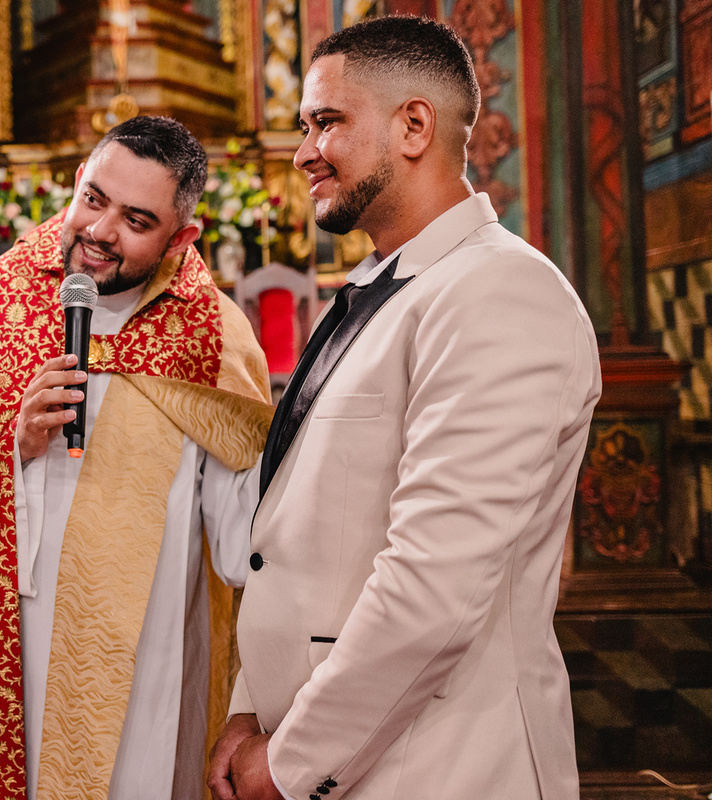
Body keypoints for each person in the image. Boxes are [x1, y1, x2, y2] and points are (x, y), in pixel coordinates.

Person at [208, 16, 600, 800]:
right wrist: (252, 707)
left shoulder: (500, 293)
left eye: (327, 122)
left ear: (414, 125)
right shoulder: (378, 291)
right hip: (331, 744)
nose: (303, 152)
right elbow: (298, 536)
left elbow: (437, 583)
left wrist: (290, 765)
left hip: (438, 762)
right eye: (303, 127)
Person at [0, 116, 274, 800]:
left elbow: (244, 540)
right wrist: (12, 447)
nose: (101, 231)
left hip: (145, 654)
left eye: (137, 220)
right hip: (2, 640)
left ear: (181, 238)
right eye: (94, 199)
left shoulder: (211, 336)